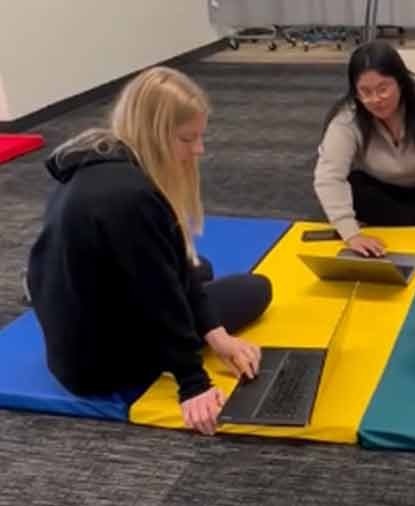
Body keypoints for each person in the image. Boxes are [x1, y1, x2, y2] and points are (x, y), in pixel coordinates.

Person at [26, 66, 272, 436]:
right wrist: (194, 382)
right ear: (154, 135)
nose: (198, 150)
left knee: (197, 267)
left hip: (71, 344)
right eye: (188, 140)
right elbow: (159, 294)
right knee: (255, 288)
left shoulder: (95, 164)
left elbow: (168, 266)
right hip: (100, 367)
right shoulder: (131, 197)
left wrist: (216, 335)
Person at [314, 40, 415, 257]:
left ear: (401, 82)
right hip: (383, 191)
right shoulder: (348, 117)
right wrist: (351, 234)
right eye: (365, 92)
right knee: (354, 187)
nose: (375, 100)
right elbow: (329, 176)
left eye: (383, 89)